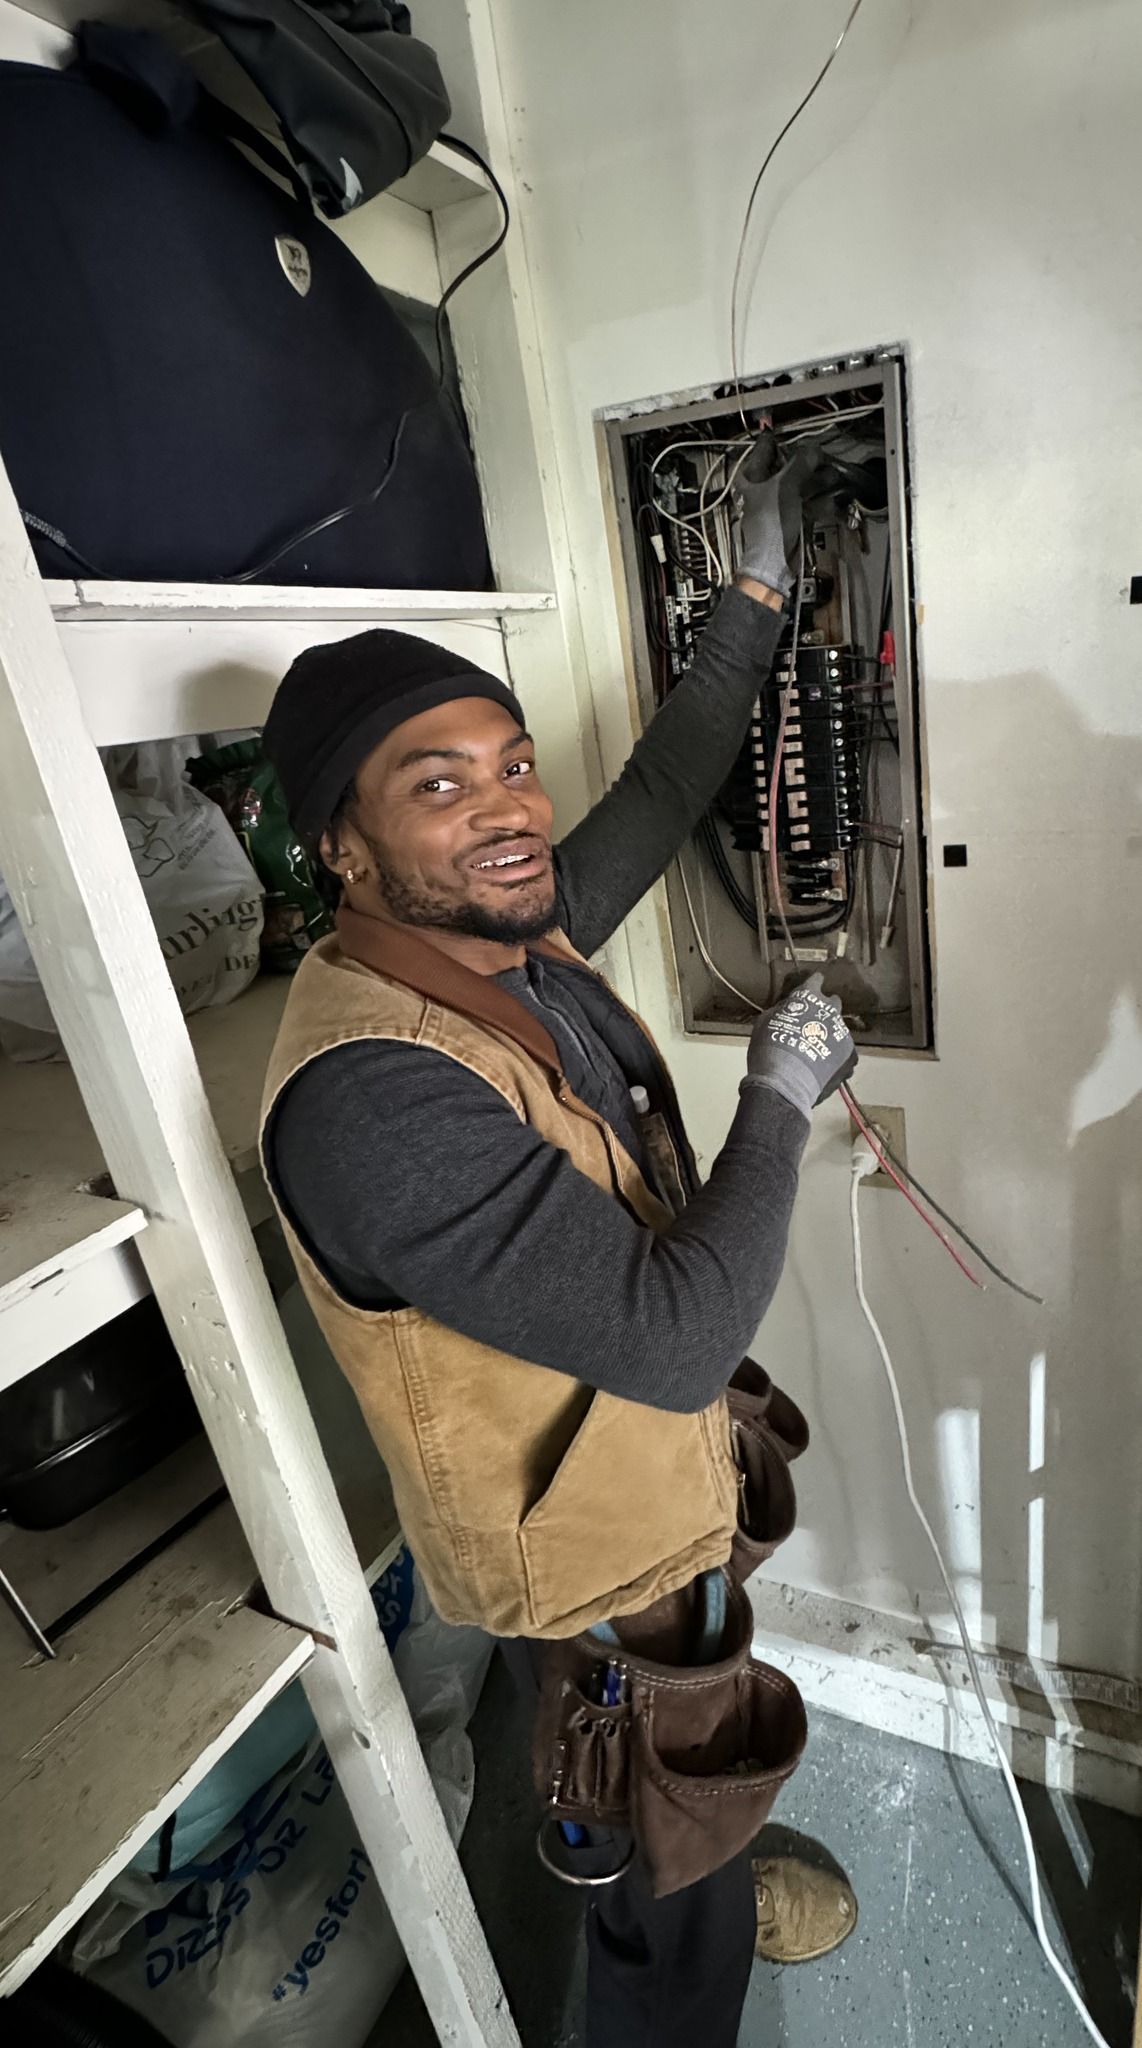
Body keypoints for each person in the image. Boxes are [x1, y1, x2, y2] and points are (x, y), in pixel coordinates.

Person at [259, 448, 857, 2048]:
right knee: (632, 1786)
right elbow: (665, 1338)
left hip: (646, 1498)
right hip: (583, 1565)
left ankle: (696, 1866)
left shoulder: (499, 936)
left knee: (677, 1765)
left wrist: (747, 593)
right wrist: (781, 1103)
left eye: (509, 763)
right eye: (435, 785)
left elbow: (660, 791)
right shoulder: (373, 1093)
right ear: (344, 845)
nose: (509, 808)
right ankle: (675, 1947)